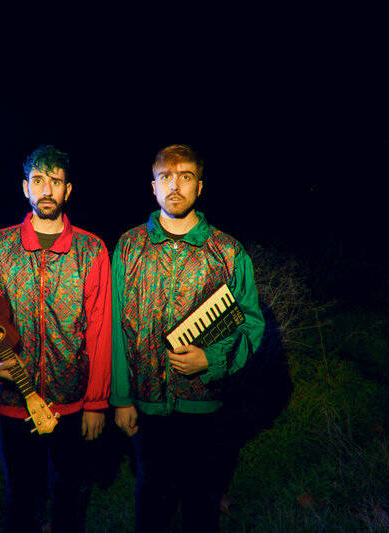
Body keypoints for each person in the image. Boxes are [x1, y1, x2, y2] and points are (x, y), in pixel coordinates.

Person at [0, 145, 112, 533]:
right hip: (12, 402)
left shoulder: (91, 251)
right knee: (20, 495)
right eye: (38, 180)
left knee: (69, 492)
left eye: (55, 181)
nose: (46, 189)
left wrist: (95, 402)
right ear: (25, 187)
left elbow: (100, 330)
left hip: (70, 402)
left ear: (68, 190)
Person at [110, 144, 265, 532]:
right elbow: (115, 327)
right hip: (146, 405)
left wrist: (211, 360)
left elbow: (252, 325)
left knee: (201, 499)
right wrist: (122, 398)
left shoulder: (227, 252)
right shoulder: (129, 248)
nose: (174, 186)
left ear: (200, 185)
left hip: (205, 406)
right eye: (165, 177)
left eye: (185, 176)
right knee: (151, 496)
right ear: (153, 186)